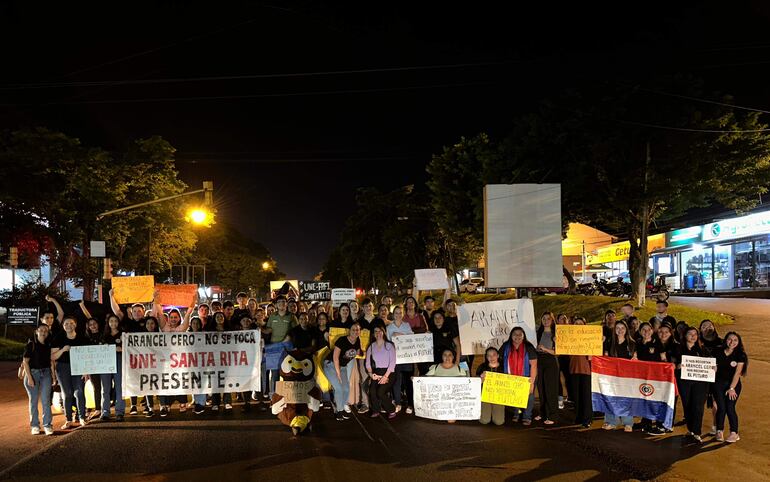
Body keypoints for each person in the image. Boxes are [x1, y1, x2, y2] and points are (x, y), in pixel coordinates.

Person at [51, 316, 90, 429]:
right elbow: (53, 356)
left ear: (75, 325)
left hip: (79, 368)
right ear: (63, 326)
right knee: (67, 393)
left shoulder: (82, 338)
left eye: (71, 323)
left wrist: (86, 370)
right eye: (66, 323)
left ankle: (82, 417)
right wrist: (63, 350)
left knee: (79, 392)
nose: (69, 325)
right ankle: (68, 419)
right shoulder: (59, 338)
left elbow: (88, 356)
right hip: (63, 368)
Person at [323, 322, 362, 421]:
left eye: (357, 329)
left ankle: (342, 406)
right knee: (339, 388)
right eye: (353, 329)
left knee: (346, 389)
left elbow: (358, 352)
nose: (355, 331)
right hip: (331, 365)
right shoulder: (342, 340)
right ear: (349, 331)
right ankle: (339, 411)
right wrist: (338, 374)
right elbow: (335, 358)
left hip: (343, 367)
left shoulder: (358, 341)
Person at [676, 326, 709, 442]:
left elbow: (709, 363)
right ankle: (690, 429)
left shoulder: (702, 349)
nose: (693, 336)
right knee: (687, 405)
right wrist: (677, 366)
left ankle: (697, 432)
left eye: (695, 334)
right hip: (684, 382)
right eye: (690, 334)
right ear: (685, 335)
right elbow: (672, 363)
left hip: (700, 383)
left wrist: (713, 367)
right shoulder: (679, 349)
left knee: (698, 406)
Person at [499, 327, 538, 425]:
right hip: (511, 376)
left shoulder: (529, 347)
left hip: (527, 376)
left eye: (520, 334)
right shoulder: (506, 346)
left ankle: (527, 415)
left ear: (523, 336)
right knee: (514, 395)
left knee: (529, 396)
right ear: (511, 336)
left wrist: (532, 382)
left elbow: (534, 365)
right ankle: (517, 413)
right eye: (515, 334)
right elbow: (498, 359)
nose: (517, 336)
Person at [602, 320, 636, 432]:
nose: (620, 330)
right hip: (611, 376)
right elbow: (605, 358)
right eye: (617, 328)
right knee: (610, 398)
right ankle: (612, 422)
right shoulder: (609, 342)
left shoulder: (632, 343)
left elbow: (635, 359)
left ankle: (628, 423)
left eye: (622, 328)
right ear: (614, 330)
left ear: (626, 329)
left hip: (626, 377)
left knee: (626, 400)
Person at [713, 331, 747, 443]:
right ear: (725, 340)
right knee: (721, 408)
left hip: (733, 385)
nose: (732, 342)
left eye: (735, 340)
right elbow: (712, 366)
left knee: (730, 408)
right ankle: (719, 431)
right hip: (718, 383)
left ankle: (734, 433)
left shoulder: (740, 355)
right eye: (729, 339)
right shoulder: (717, 351)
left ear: (739, 342)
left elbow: (737, 373)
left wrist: (732, 388)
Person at [22, 324, 55, 435]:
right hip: (32, 374)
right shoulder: (31, 344)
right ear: (36, 331)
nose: (43, 332)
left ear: (47, 332)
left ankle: (47, 425)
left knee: (46, 400)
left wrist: (53, 376)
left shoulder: (48, 344)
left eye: (45, 330)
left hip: (46, 373)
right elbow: (25, 362)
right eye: (41, 330)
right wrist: (30, 378)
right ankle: (35, 426)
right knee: (34, 401)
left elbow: (51, 362)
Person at [263, 296, 297, 400]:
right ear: (276, 305)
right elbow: (268, 330)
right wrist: (260, 328)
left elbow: (296, 330)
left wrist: (290, 336)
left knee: (288, 373)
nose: (281, 303)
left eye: (283, 302)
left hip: (287, 349)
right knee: (275, 373)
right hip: (274, 348)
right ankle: (274, 396)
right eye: (279, 302)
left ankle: (288, 396)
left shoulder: (292, 316)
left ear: (286, 304)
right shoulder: (272, 316)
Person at [635, 322, 665, 435]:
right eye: (643, 329)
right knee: (644, 399)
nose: (646, 332)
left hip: (655, 377)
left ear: (652, 331)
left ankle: (658, 424)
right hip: (642, 376)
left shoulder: (657, 343)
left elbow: (664, 360)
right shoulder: (638, 343)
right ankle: (645, 422)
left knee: (654, 400)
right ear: (640, 331)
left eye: (648, 329)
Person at [426, 348, 468, 424]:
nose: (447, 357)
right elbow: (425, 379)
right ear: (442, 357)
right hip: (438, 398)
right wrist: (416, 379)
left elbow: (466, 384)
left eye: (450, 355)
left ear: (453, 357)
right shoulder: (436, 367)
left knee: (451, 420)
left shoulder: (459, 369)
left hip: (454, 399)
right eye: (445, 355)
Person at [365, 325, 397, 419]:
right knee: (372, 391)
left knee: (380, 392)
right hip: (377, 372)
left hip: (389, 372)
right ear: (373, 334)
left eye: (380, 331)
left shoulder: (389, 345)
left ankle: (391, 410)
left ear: (383, 332)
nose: (378, 333)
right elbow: (367, 363)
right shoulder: (371, 346)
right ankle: (376, 410)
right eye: (376, 331)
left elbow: (392, 362)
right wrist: (371, 374)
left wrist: (386, 376)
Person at [387, 305, 414, 414]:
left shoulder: (406, 325)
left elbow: (412, 339)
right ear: (393, 315)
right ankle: (398, 403)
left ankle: (410, 405)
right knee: (396, 382)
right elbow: (388, 341)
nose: (398, 315)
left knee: (408, 382)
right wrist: (399, 336)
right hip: (395, 358)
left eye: (400, 313)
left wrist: (399, 335)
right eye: (396, 313)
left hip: (407, 357)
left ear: (403, 314)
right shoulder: (389, 327)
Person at [99, 314, 125, 421]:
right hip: (105, 363)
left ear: (118, 323)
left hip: (119, 361)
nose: (113, 323)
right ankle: (105, 411)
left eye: (115, 321)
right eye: (111, 321)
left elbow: (127, 348)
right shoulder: (104, 335)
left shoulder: (123, 335)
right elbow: (100, 349)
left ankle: (119, 412)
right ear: (108, 323)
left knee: (120, 387)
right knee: (105, 388)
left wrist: (119, 349)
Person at [699, 319, 722, 435]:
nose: (707, 328)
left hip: (717, 378)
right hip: (701, 377)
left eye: (710, 325)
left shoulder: (722, 343)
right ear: (700, 330)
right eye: (704, 326)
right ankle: (694, 428)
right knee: (698, 403)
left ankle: (716, 426)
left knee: (715, 403)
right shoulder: (697, 343)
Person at [535, 312, 559, 425]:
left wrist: (545, 349)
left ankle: (552, 414)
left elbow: (558, 352)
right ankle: (543, 412)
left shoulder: (556, 334)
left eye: (548, 319)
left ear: (552, 320)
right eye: (543, 318)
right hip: (539, 360)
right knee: (541, 387)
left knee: (550, 388)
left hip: (550, 361)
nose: (546, 321)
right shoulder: (538, 332)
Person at [568, 317, 592, 428]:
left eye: (580, 323)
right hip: (574, 368)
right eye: (576, 323)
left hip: (586, 369)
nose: (578, 325)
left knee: (586, 395)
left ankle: (587, 419)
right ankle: (578, 417)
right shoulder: (569, 338)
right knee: (576, 396)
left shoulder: (590, 338)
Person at [477, 347, 505, 426]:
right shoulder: (482, 367)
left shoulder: (504, 367)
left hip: (499, 395)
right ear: (486, 357)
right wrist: (481, 379)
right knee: (484, 420)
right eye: (489, 355)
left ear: (498, 356)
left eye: (494, 355)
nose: (492, 357)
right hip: (486, 395)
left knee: (499, 422)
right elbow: (476, 384)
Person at [84, 318, 103, 420]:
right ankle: (98, 409)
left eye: (94, 323)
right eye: (90, 324)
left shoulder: (104, 335)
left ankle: (105, 408)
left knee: (107, 388)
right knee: (96, 388)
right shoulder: (86, 339)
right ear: (88, 327)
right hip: (92, 367)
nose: (93, 326)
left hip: (105, 366)